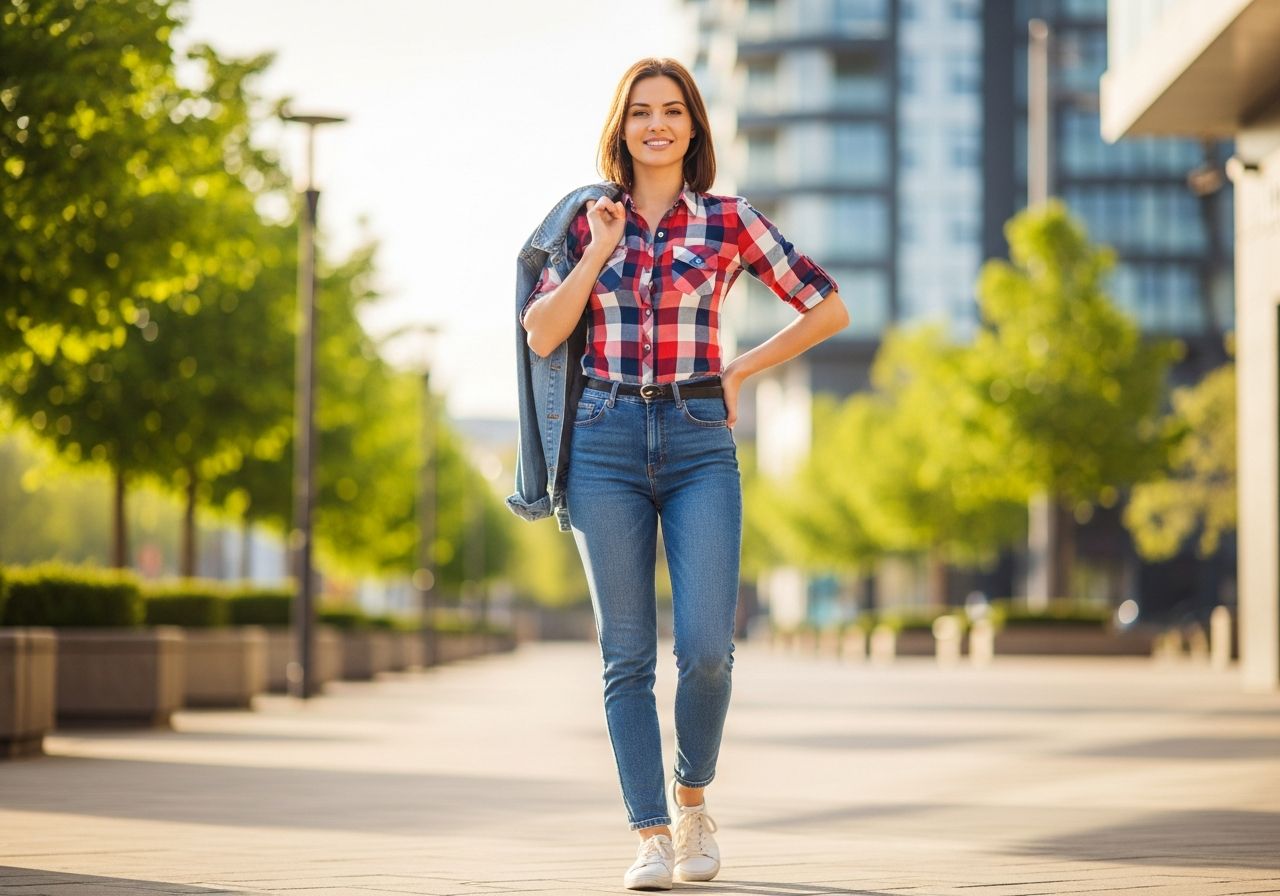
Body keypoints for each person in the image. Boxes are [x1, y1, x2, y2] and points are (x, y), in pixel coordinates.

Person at [519, 57, 849, 891]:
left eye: (672, 111)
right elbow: (543, 333)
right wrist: (597, 253)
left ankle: (694, 798)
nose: (657, 125)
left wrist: (741, 370)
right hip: (604, 437)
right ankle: (651, 835)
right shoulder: (584, 221)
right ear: (621, 128)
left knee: (706, 650)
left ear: (695, 127)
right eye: (641, 113)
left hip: (701, 436)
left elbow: (829, 306)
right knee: (625, 655)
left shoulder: (730, 221)